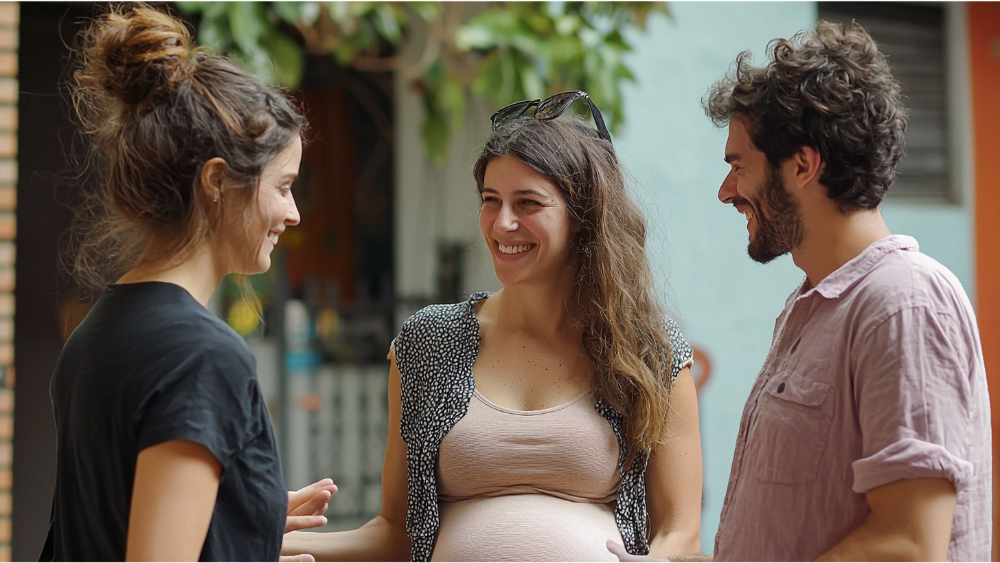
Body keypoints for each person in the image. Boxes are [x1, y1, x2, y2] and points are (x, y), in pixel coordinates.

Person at [282, 91, 704, 562]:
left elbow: (681, 534)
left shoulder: (650, 350)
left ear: (585, 218)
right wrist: (259, 540)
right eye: (491, 200)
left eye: (528, 203)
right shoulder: (430, 341)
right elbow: (395, 531)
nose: (502, 224)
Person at [681, 20, 990, 563]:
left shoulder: (904, 301)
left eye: (738, 166)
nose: (726, 191)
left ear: (803, 164)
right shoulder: (816, 308)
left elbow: (909, 545)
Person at [41, 4, 335, 563]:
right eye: (284, 186)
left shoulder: (97, 333)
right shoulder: (200, 354)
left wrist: (245, 524)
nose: (294, 213)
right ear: (218, 181)